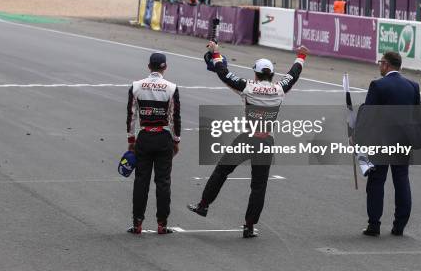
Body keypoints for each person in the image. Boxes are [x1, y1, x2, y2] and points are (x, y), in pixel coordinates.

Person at [188, 43, 309, 238]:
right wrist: (301, 57)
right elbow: (293, 75)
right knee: (259, 185)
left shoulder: (249, 87)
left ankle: (203, 205)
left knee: (221, 171)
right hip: (266, 141)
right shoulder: (280, 89)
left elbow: (224, 74)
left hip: (247, 138)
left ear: (256, 74)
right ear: (271, 75)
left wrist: (216, 53)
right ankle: (249, 226)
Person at [361, 51, 421, 237]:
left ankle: (374, 225)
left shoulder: (378, 85)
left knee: (376, 181)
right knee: (402, 181)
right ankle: (399, 226)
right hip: (403, 141)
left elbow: (368, 115)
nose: (379, 66)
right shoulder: (412, 86)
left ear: (386, 65)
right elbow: (418, 115)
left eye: (380, 62)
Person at [126, 53, 181, 235]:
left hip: (144, 137)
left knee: (141, 181)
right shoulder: (171, 88)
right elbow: (175, 117)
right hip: (163, 138)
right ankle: (162, 224)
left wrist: (131, 140)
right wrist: (176, 140)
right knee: (163, 182)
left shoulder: (136, 86)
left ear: (149, 66)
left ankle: (137, 223)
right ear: (165, 67)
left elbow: (131, 116)